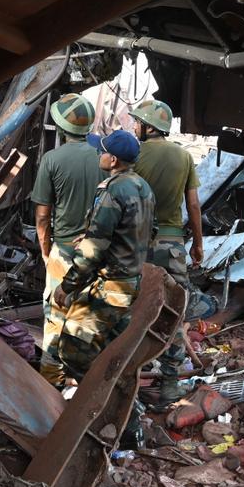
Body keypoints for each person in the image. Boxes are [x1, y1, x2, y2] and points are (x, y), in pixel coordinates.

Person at [54, 129, 154, 378]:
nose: (99, 153)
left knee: (73, 349)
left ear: (113, 160)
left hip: (111, 286)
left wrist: (67, 285)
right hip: (131, 282)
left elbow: (93, 250)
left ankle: (96, 407)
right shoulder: (143, 187)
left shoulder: (112, 190)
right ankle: (124, 412)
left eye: (102, 151)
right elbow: (146, 230)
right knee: (112, 353)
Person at [129, 99, 203, 404]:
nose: (133, 127)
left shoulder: (132, 154)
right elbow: (194, 205)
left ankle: (131, 380)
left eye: (137, 122)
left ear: (148, 127)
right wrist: (198, 243)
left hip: (137, 245)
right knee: (173, 312)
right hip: (172, 245)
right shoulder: (184, 157)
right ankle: (170, 382)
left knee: (134, 309)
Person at [29, 93, 102, 386]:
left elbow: (42, 216)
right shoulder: (104, 160)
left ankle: (51, 382)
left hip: (64, 251)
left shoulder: (52, 160)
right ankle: (87, 381)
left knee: (55, 319)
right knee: (87, 318)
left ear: (60, 128)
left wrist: (46, 252)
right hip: (96, 254)